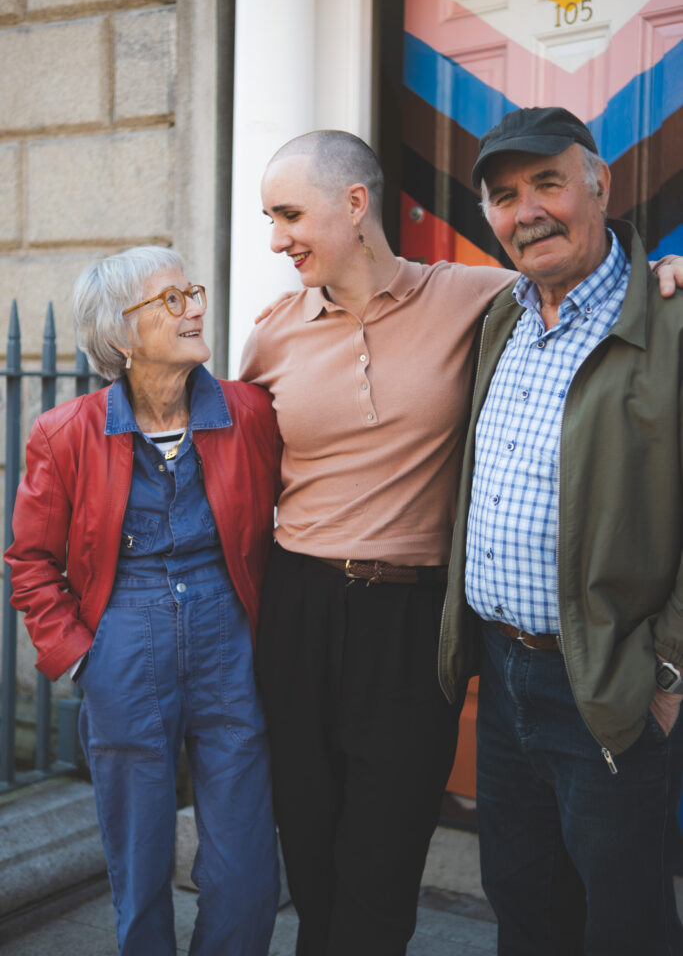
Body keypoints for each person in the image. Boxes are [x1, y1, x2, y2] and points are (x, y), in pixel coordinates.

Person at [239, 129, 683, 955]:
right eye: (503, 198)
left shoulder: (479, 300)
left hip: (428, 627)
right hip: (315, 612)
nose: (276, 239)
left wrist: (667, 272)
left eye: (289, 214)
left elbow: (600, 279)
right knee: (336, 848)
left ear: (356, 203)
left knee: (402, 858)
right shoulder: (276, 333)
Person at [438, 106, 683, 955]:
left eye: (547, 183)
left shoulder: (667, 318)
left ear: (599, 185)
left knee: (623, 918)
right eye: (504, 197)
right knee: (522, 900)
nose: (528, 211)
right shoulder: (498, 318)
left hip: (608, 684)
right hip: (503, 678)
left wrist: (666, 674)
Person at [5, 247, 282, 955]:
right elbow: (31, 561)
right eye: (169, 299)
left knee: (246, 865)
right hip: (123, 644)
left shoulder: (250, 412)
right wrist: (77, 659)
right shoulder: (63, 433)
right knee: (138, 860)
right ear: (122, 339)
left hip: (229, 642)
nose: (193, 306)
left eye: (191, 292)